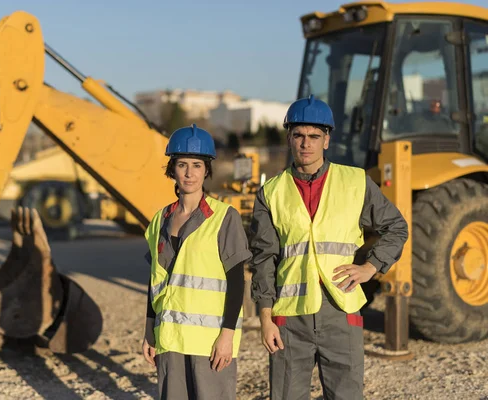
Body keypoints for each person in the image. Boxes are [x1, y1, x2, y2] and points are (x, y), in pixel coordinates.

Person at [249, 95, 409, 400]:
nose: (305, 143)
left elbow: (396, 227)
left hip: (341, 312)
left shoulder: (355, 182)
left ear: (327, 140)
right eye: (299, 135)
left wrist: (370, 267)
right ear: (289, 139)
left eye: (313, 136)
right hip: (289, 318)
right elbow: (264, 258)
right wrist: (266, 318)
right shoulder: (270, 193)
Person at [142, 124, 252, 400]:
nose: (189, 173)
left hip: (210, 341)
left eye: (197, 165)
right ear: (172, 169)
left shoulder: (225, 217)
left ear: (206, 170)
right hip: (170, 338)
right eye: (182, 165)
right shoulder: (159, 220)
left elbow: (236, 281)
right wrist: (149, 332)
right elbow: (155, 281)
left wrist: (227, 336)